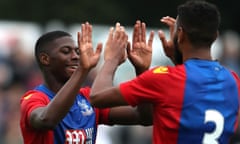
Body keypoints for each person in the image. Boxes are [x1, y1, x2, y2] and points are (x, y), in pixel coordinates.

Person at [90, 0, 240, 144]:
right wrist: (169, 61)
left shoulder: (164, 78)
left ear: (180, 35)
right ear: (215, 36)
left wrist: (111, 60)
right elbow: (193, 94)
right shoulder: (233, 80)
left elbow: (97, 97)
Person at [20, 22, 154, 144]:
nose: (76, 56)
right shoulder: (34, 98)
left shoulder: (87, 98)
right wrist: (86, 68)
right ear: (45, 59)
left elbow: (143, 117)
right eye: (66, 52)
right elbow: (47, 120)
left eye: (78, 52)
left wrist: (142, 70)